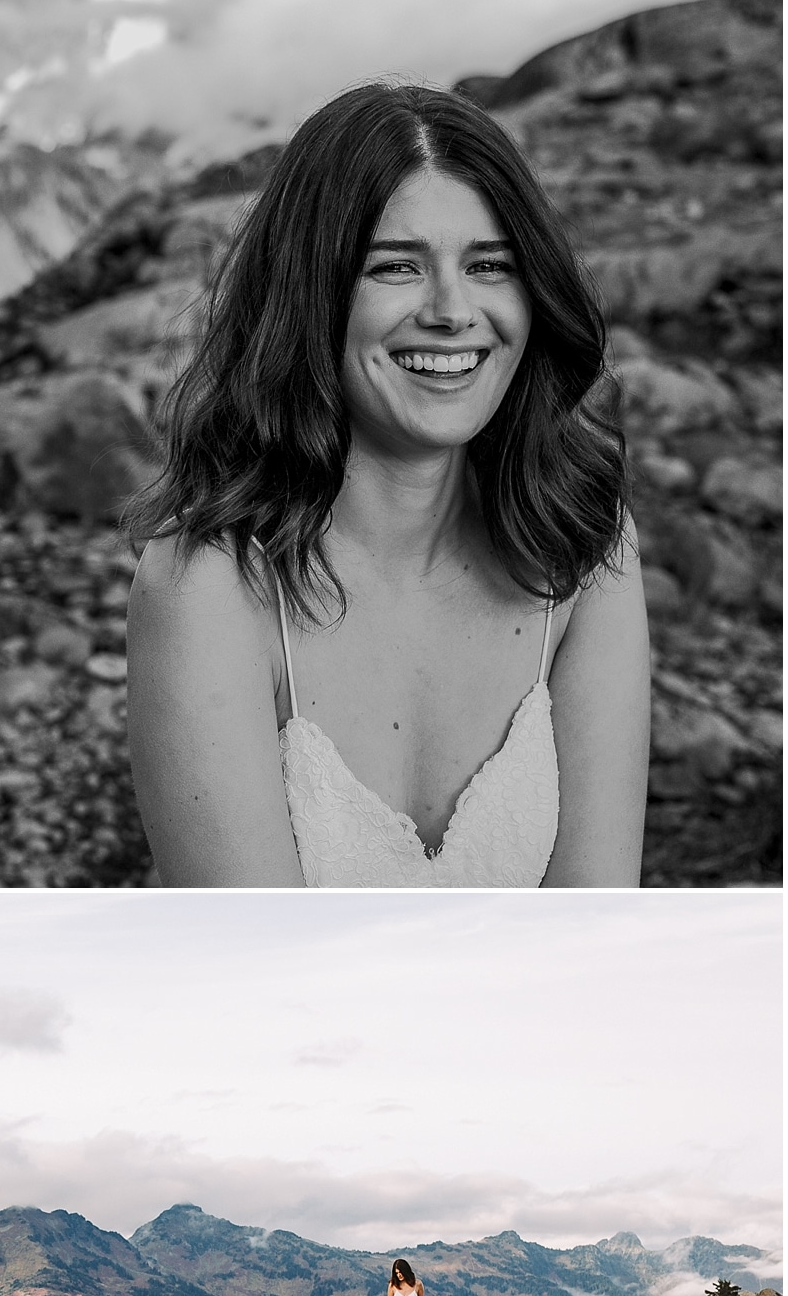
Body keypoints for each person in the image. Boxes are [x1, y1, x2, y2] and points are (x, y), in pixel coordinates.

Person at [126, 81, 650, 887]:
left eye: (489, 266)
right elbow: (251, 981)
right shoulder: (208, 586)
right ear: (312, 296)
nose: (452, 310)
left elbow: (592, 937)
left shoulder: (585, 549)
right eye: (395, 267)